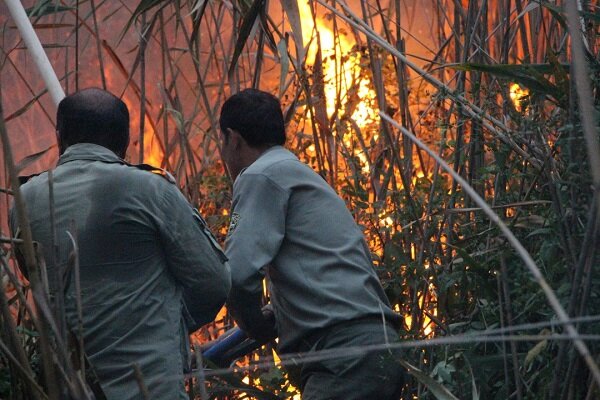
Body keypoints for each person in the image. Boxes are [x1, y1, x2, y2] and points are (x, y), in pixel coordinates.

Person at [10, 88, 231, 399]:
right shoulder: (153, 190)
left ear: (59, 137)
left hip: (69, 387)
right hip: (152, 388)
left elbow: (35, 281)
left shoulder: (24, 201)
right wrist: (168, 326)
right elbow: (214, 282)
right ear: (125, 141)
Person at [219, 89, 404, 399]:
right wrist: (274, 314)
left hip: (342, 357)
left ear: (233, 138)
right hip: (373, 350)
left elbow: (235, 277)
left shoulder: (260, 176)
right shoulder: (298, 174)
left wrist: (254, 327)